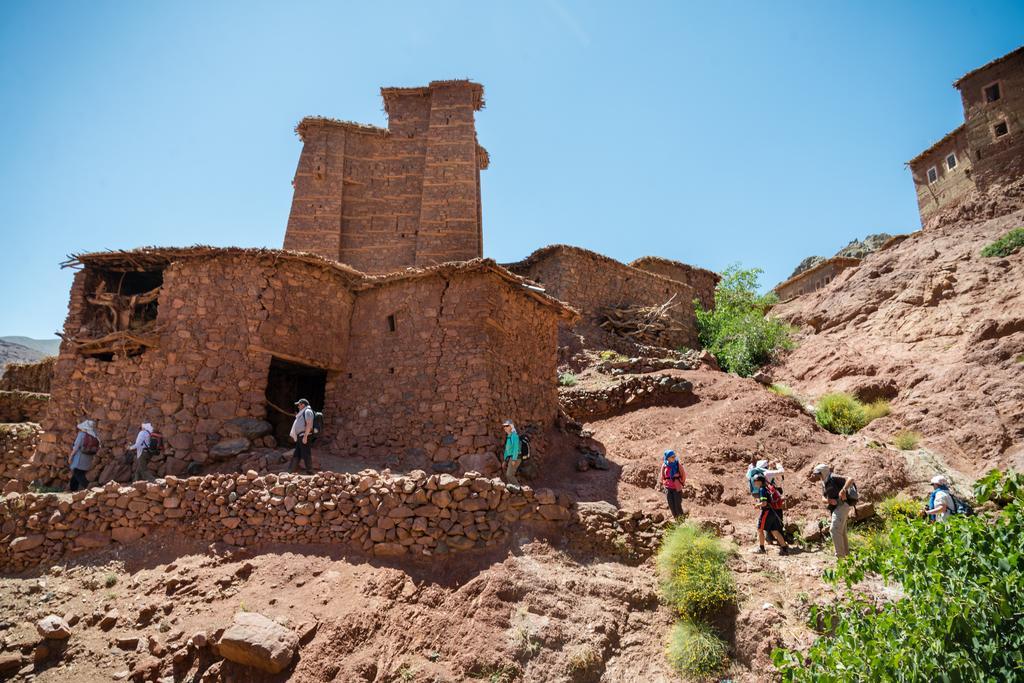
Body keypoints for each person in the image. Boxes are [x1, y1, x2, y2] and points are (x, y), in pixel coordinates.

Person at [811, 463, 855, 558]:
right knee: (841, 532)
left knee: (834, 530)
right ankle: (847, 555)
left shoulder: (833, 477)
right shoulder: (824, 482)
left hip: (842, 505)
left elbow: (850, 479)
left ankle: (840, 556)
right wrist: (828, 500)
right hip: (835, 508)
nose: (817, 476)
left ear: (823, 472)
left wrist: (843, 490)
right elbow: (823, 497)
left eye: (818, 473)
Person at [753, 474, 791, 555]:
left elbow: (764, 503)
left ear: (759, 481)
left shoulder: (762, 489)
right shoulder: (767, 488)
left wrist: (757, 505)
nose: (754, 482)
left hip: (766, 512)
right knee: (774, 531)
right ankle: (784, 549)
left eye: (755, 481)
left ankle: (761, 548)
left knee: (760, 529)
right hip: (773, 512)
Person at [68, 419, 100, 491]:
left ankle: (88, 487)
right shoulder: (95, 435)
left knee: (77, 472)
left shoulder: (81, 434)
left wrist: (71, 456)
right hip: (89, 457)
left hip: (80, 457)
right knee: (78, 473)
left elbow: (76, 447)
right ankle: (72, 489)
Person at [288, 398, 315, 474]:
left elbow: (309, 424)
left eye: (299, 405)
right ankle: (291, 470)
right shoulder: (302, 412)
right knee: (297, 453)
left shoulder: (308, 411)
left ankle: (310, 471)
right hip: (301, 435)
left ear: (303, 405)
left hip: (304, 435)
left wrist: (305, 436)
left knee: (306, 453)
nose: (298, 406)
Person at [661, 450, 687, 518]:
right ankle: (676, 520)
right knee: (671, 505)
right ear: (667, 458)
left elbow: (683, 475)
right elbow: (662, 476)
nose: (674, 458)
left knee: (677, 505)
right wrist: (664, 483)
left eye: (674, 456)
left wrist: (681, 483)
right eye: (672, 457)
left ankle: (682, 521)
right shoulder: (664, 465)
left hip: (677, 488)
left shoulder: (678, 465)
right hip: (668, 488)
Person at [501, 419, 521, 486]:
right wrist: (505, 460)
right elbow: (507, 450)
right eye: (504, 426)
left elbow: (515, 448)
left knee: (509, 475)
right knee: (509, 475)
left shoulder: (514, 436)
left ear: (511, 426)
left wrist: (514, 459)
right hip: (510, 458)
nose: (505, 428)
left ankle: (518, 489)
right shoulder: (509, 436)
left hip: (515, 458)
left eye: (507, 426)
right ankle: (512, 490)